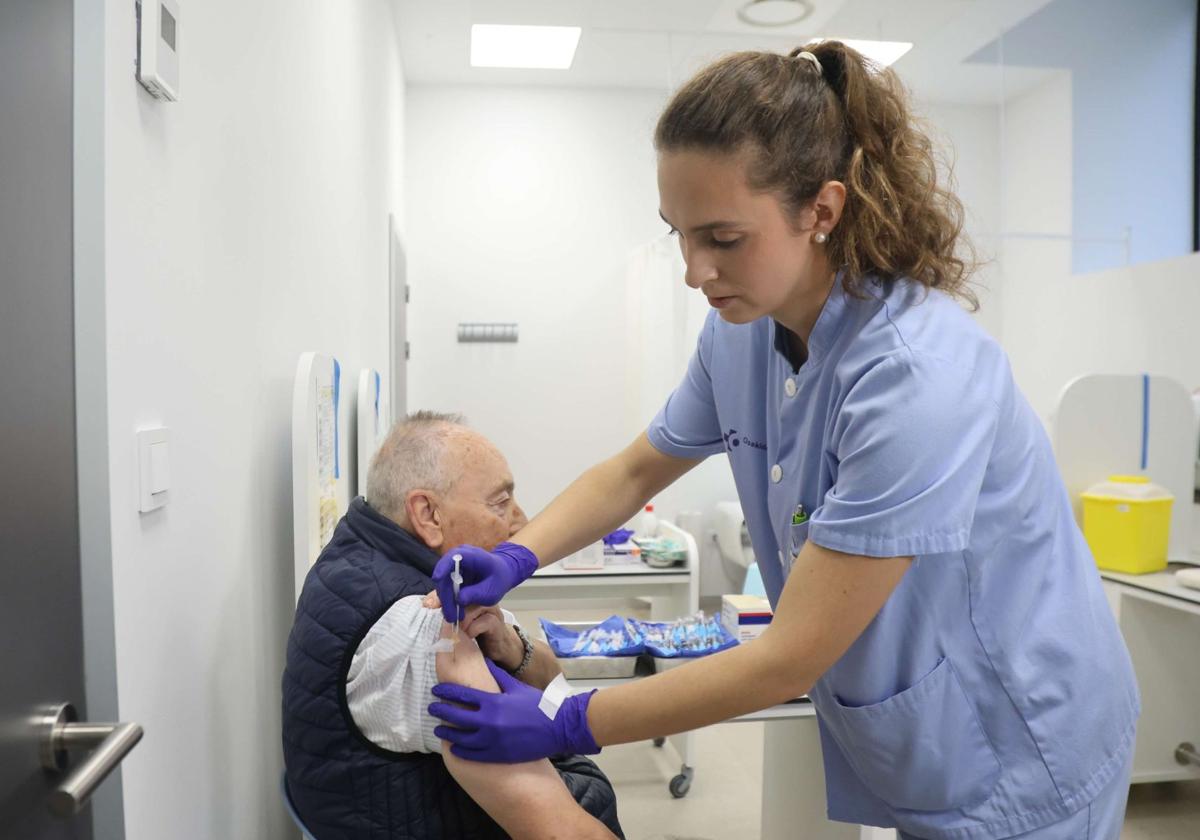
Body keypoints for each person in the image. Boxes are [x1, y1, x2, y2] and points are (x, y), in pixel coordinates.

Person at [427, 41, 1140, 840]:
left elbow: (789, 656)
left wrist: (569, 721)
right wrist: (521, 554)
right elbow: (635, 470)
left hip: (1023, 731)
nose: (695, 271)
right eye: (679, 234)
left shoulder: (919, 374)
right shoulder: (741, 332)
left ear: (822, 211)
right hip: (935, 732)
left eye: (723, 239)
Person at [282, 411, 622, 839]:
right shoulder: (431, 624)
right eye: (501, 503)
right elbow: (560, 829)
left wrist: (513, 647)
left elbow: (554, 686)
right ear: (427, 514)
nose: (522, 522)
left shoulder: (353, 554)